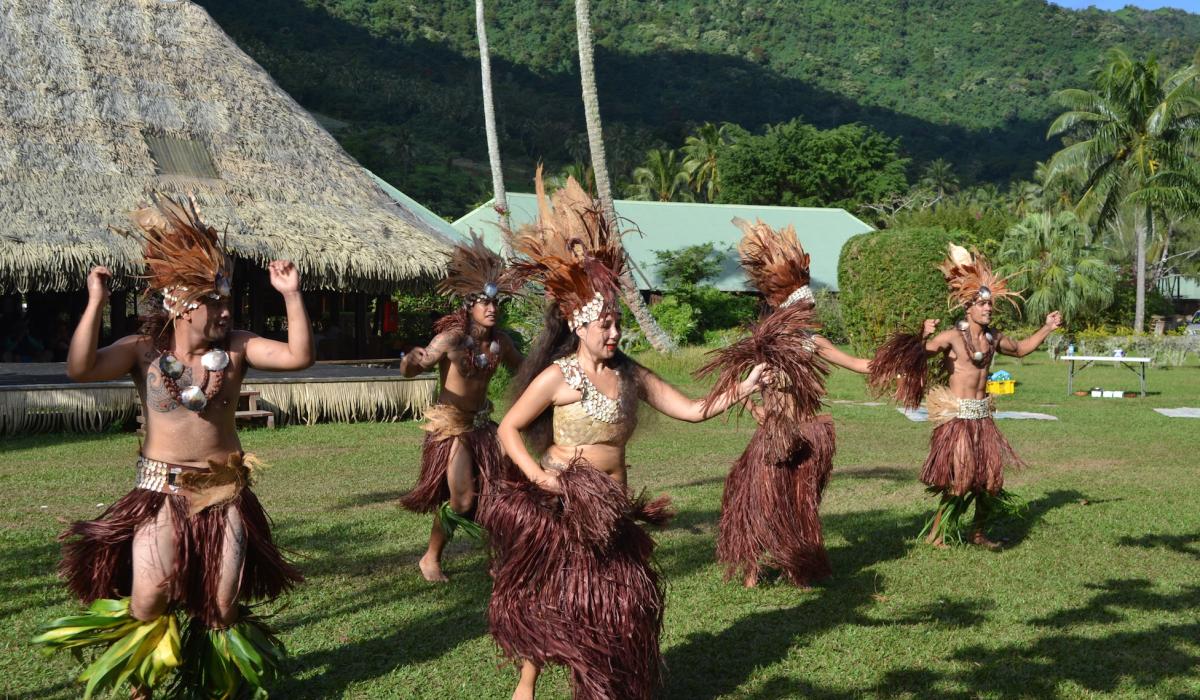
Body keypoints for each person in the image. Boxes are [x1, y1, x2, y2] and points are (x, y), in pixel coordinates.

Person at [482, 172, 770, 700]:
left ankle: (604, 680)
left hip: (613, 506)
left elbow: (691, 408)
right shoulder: (558, 376)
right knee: (553, 592)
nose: (615, 333)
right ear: (579, 324)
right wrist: (537, 475)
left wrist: (744, 383)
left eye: (618, 324)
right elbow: (508, 428)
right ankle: (526, 683)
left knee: (620, 598)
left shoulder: (631, 375)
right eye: (605, 325)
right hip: (568, 504)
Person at [32, 194, 311, 699]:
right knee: (148, 597)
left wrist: (291, 296)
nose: (227, 310)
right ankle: (144, 682)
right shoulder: (143, 352)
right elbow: (81, 368)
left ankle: (217, 683)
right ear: (179, 304)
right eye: (215, 301)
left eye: (228, 300)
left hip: (223, 493)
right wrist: (94, 303)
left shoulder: (239, 347)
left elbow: (297, 357)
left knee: (223, 604)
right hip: (160, 491)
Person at [701, 218, 938, 588]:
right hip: (773, 435)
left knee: (798, 504)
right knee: (759, 500)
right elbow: (735, 379)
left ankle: (799, 563)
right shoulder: (764, 346)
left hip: (807, 435)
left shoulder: (814, 343)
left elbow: (864, 365)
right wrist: (756, 410)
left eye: (810, 311)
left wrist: (909, 351)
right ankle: (752, 568)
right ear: (786, 313)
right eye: (804, 311)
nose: (810, 316)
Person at [870, 243, 1061, 548]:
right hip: (956, 418)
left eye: (990, 304)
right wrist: (922, 333)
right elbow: (916, 354)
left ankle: (977, 532)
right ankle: (936, 534)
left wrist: (1047, 327)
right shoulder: (950, 338)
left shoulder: (993, 337)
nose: (988, 308)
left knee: (991, 483)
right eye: (982, 304)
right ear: (968, 306)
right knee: (960, 482)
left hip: (983, 417)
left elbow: (1022, 348)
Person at [398, 233, 523, 582]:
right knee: (464, 500)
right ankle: (431, 557)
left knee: (503, 493)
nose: (492, 309)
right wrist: (410, 361)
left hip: (485, 426)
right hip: (452, 428)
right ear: (469, 305)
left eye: (495, 304)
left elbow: (526, 370)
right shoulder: (451, 340)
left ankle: (498, 560)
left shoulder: (501, 343)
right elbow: (417, 366)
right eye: (484, 303)